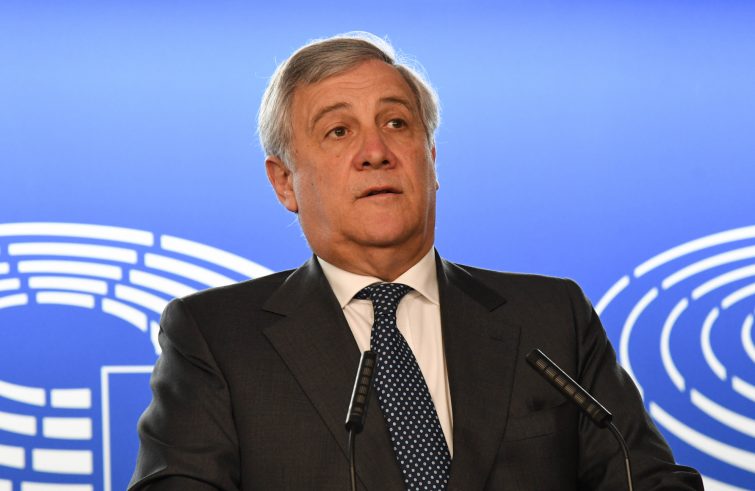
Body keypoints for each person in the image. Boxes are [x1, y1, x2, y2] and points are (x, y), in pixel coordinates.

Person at [129, 32, 703, 490]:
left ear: (431, 158)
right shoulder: (215, 337)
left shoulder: (551, 318)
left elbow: (646, 479)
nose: (375, 152)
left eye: (396, 123)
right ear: (284, 182)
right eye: (338, 131)